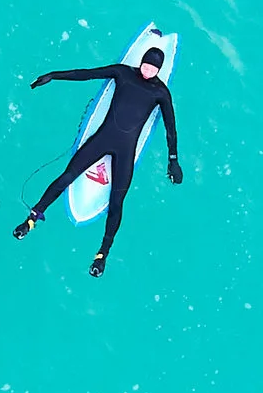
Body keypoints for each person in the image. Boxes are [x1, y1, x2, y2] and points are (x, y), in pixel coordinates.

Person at [13, 46, 182, 277]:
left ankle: (102, 255)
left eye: (153, 68)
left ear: (159, 70)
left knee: (117, 202)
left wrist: (173, 160)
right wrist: (54, 76)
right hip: (102, 139)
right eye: (145, 64)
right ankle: (31, 219)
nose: (147, 70)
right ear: (141, 61)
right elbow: (86, 73)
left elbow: (170, 128)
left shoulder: (161, 93)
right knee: (66, 177)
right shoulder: (123, 73)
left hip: (126, 151)